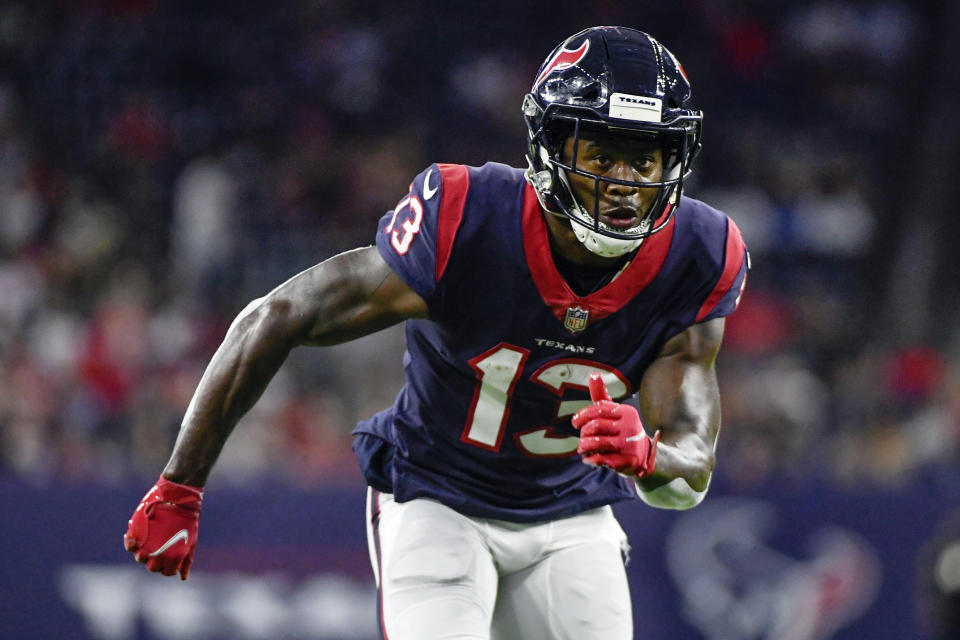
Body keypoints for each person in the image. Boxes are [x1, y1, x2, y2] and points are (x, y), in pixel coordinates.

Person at [124, 26, 748, 639]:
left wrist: (648, 458)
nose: (624, 185)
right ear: (552, 148)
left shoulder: (697, 255)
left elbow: (689, 479)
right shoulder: (467, 216)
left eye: (645, 157)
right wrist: (181, 483)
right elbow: (278, 315)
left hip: (571, 514)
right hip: (436, 497)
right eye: (601, 155)